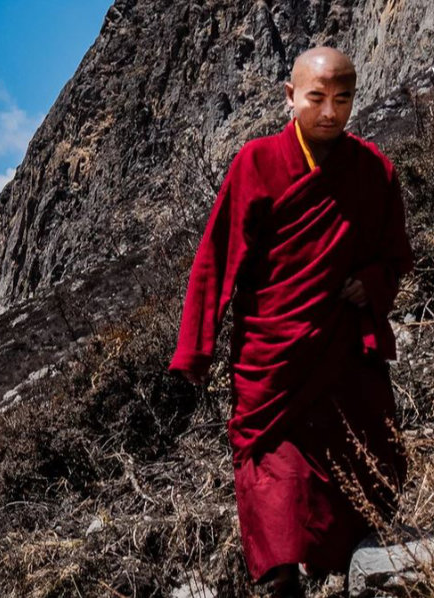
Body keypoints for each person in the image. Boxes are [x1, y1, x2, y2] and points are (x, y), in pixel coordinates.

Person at [167, 46, 413, 595]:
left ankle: (345, 568)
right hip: (272, 354)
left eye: (343, 99)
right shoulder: (256, 163)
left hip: (343, 351)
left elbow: (397, 256)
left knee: (353, 466)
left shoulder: (374, 169)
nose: (330, 112)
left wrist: (371, 283)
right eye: (317, 98)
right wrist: (194, 349)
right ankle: (281, 580)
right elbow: (215, 259)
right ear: (291, 96)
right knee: (273, 473)